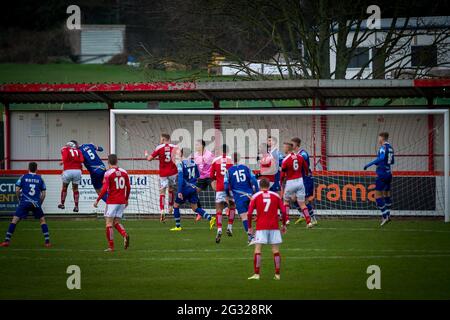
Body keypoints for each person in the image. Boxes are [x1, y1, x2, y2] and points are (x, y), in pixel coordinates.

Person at [1, 162, 50, 247]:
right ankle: (47, 242)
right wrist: (39, 203)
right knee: (42, 220)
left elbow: (17, 190)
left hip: (24, 202)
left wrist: (19, 199)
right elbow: (44, 194)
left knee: (15, 220)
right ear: (36, 169)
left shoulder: (23, 177)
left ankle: (6, 241)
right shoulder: (40, 179)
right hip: (36, 203)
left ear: (28, 168)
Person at [247, 178, 287, 280]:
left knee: (258, 249)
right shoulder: (276, 196)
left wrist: (250, 227)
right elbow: (283, 211)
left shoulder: (255, 196)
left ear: (259, 186)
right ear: (269, 185)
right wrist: (284, 224)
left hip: (261, 227)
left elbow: (250, 213)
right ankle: (277, 275)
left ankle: (257, 274)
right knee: (275, 250)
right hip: (274, 226)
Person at [171, 148, 216, 231]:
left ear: (181, 154)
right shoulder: (193, 163)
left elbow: (180, 179)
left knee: (176, 205)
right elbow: (198, 176)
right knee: (195, 208)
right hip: (193, 188)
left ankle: (178, 226)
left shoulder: (180, 164)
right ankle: (210, 218)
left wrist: (180, 191)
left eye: (179, 153)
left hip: (185, 189)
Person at [94, 154, 130, 252]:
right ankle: (124, 234)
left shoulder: (108, 173)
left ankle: (111, 247)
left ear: (108, 162)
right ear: (117, 161)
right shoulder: (124, 172)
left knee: (109, 223)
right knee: (116, 222)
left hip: (112, 202)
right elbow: (128, 187)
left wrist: (97, 200)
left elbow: (104, 188)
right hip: (122, 201)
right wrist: (126, 199)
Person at [224, 152, 259, 243]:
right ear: (239, 158)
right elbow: (254, 180)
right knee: (253, 214)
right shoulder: (246, 168)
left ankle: (251, 237)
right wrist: (257, 192)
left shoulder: (228, 171)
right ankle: (258, 234)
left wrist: (228, 196)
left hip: (239, 196)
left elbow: (226, 186)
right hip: (250, 195)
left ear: (231, 159)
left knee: (244, 217)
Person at [144, 133, 178, 223]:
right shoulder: (175, 147)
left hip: (163, 173)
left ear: (163, 139)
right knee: (171, 190)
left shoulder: (159, 147)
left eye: (160, 139)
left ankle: (162, 210)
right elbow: (180, 158)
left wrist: (146, 155)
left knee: (162, 192)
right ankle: (170, 206)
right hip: (173, 172)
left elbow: (149, 159)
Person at [364, 132, 395, 226]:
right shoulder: (391, 148)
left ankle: (385, 216)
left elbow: (381, 158)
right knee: (386, 194)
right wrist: (382, 163)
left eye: (379, 138)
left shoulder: (383, 147)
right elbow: (392, 161)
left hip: (381, 174)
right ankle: (389, 215)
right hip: (389, 173)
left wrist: (368, 165)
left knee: (377, 196)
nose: (378, 140)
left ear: (382, 138)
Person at [281, 142, 313, 228]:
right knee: (302, 203)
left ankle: (286, 220)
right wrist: (306, 174)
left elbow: (282, 174)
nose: (283, 149)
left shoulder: (285, 160)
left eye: (284, 147)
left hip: (290, 182)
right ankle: (309, 222)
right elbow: (306, 168)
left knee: (286, 201)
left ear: (288, 149)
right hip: (300, 181)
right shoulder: (300, 157)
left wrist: (281, 183)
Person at [210, 144, 234, 243]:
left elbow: (211, 175)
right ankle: (229, 227)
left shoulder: (215, 161)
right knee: (232, 207)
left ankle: (219, 229)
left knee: (219, 209)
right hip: (230, 188)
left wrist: (217, 180)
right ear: (227, 151)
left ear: (220, 151)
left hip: (220, 188)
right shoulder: (231, 160)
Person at [291, 137, 317, 225]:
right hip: (299, 180)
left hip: (306, 180)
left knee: (304, 200)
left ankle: (313, 218)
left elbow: (301, 165)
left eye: (292, 144)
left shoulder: (303, 154)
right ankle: (302, 214)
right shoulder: (295, 154)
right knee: (293, 198)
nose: (291, 146)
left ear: (297, 145)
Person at [58, 140, 84, 212]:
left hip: (68, 170)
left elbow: (65, 157)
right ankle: (76, 206)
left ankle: (62, 204)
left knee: (64, 187)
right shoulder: (78, 151)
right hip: (77, 171)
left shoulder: (65, 149)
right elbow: (82, 160)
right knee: (75, 189)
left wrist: (63, 161)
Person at [193, 139, 215, 221]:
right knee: (194, 192)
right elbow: (196, 167)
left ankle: (227, 207)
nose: (196, 146)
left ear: (202, 146)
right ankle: (200, 212)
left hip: (209, 176)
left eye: (198, 145)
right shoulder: (195, 155)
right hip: (201, 178)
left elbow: (215, 164)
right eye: (196, 145)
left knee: (217, 189)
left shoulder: (209, 154)